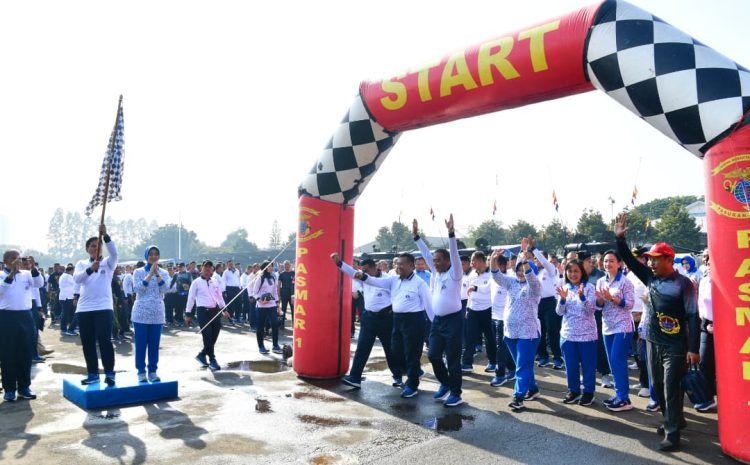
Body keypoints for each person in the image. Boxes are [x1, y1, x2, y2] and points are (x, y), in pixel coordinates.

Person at [615, 213, 700, 452]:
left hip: (675, 346)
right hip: (652, 341)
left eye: (655, 259)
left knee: (672, 387)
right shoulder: (650, 278)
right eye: (649, 259)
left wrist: (693, 348)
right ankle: (674, 419)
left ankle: (673, 434)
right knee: (660, 387)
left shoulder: (683, 284)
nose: (650, 263)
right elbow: (630, 262)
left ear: (668, 259)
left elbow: (693, 316)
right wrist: (621, 239)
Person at [337, 250, 433, 398]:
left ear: (411, 265)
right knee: (396, 351)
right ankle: (407, 373)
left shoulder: (420, 284)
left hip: (413, 321)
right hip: (395, 320)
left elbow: (429, 306)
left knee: (411, 354)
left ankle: (412, 384)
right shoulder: (393, 280)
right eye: (397, 264)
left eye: (402, 264)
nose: (398, 266)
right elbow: (372, 280)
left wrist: (435, 326)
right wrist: (341, 264)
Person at [414, 215, 464, 406]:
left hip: (453, 321)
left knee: (452, 359)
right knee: (434, 355)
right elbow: (426, 254)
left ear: (447, 261)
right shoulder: (435, 273)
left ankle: (456, 393)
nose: (434, 262)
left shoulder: (455, 272)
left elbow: (454, 255)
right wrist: (417, 237)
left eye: (438, 260)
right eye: (433, 260)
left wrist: (451, 233)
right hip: (437, 322)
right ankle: (445, 383)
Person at [490, 238, 541, 411]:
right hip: (510, 332)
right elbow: (496, 275)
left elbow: (531, 279)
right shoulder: (511, 283)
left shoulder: (535, 286)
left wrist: (526, 261)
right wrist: (493, 259)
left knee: (522, 366)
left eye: (524, 268)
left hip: (529, 333)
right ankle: (533, 388)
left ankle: (518, 397)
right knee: (523, 364)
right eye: (518, 268)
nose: (520, 271)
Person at [334, 258, 399, 389]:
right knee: (362, 348)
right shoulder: (363, 277)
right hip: (369, 318)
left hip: (386, 318)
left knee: (390, 349)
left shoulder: (388, 279)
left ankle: (398, 376)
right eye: (362, 270)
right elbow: (351, 272)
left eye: (366, 270)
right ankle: (355, 377)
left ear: (374, 267)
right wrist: (339, 263)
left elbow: (397, 296)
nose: (363, 273)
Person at [73, 225, 119, 386]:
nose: (96, 247)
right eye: (92, 245)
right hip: (84, 308)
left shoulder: (108, 262)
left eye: (98, 244)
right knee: (87, 343)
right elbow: (77, 279)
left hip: (103, 308)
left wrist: (105, 235)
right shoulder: (81, 264)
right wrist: (90, 269)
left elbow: (114, 252)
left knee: (105, 340)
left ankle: (109, 373)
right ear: (87, 249)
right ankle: (92, 373)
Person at [0, 250, 44, 401]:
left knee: (25, 353)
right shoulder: (1, 275)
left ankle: (24, 387)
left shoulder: (26, 274)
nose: (17, 261)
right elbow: (1, 291)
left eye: (19, 258)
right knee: (8, 354)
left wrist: (32, 268)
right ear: (5, 261)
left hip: (25, 315)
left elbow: (39, 284)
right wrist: (11, 274)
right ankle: (10, 388)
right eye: (13, 258)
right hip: (6, 317)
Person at [596, 250, 635, 412]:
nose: (608, 264)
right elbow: (599, 305)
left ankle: (624, 398)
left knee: (617, 359)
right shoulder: (600, 281)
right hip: (607, 326)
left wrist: (612, 298)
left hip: (623, 326)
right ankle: (619, 395)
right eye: (605, 261)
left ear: (619, 264)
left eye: (611, 261)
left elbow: (629, 305)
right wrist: (600, 299)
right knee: (613, 362)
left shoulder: (625, 282)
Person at [556, 259, 597, 406]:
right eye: (570, 271)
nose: (573, 274)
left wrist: (582, 298)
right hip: (568, 335)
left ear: (582, 273)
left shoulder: (590, 287)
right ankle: (573, 391)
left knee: (588, 366)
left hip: (587, 335)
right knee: (571, 366)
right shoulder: (564, 288)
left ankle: (588, 393)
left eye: (576, 271)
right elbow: (559, 312)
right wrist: (562, 300)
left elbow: (591, 310)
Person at [131, 246, 170, 382]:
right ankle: (141, 371)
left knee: (154, 344)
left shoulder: (164, 272)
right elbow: (137, 289)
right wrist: (149, 274)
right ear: (146, 256)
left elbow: (166, 288)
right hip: (141, 313)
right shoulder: (138, 271)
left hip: (157, 313)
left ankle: (152, 371)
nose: (153, 256)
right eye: (151, 254)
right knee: (141, 344)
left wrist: (157, 274)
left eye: (156, 254)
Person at [185, 260, 228, 371]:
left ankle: (202, 354)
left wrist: (224, 309)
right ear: (202, 269)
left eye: (210, 267)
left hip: (215, 310)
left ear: (212, 269)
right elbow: (191, 298)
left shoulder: (214, 281)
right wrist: (188, 314)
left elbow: (219, 297)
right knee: (207, 335)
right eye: (206, 267)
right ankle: (212, 359)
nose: (208, 269)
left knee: (215, 333)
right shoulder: (196, 282)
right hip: (202, 311)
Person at [462, 251, 496, 375]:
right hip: (473, 310)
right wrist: (467, 309)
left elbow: (488, 289)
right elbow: (470, 295)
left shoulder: (491, 274)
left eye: (473, 261)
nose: (471, 263)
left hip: (487, 309)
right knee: (469, 337)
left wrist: (476, 288)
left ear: (481, 261)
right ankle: (467, 363)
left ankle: (493, 361)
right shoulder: (472, 275)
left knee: (489, 337)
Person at [581, 251, 611, 388]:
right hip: (582, 317)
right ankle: (588, 373)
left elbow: (604, 298)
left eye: (583, 262)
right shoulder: (578, 276)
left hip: (598, 316)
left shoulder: (600, 276)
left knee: (600, 346)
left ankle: (604, 374)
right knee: (585, 348)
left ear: (589, 262)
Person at [489, 253, 516, 387]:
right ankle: (512, 368)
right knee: (502, 346)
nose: (496, 267)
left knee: (501, 347)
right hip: (494, 316)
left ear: (505, 266)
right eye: (494, 264)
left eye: (500, 264)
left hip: (504, 318)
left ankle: (500, 374)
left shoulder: (509, 279)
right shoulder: (492, 277)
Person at [695, 249, 716, 412]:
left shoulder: (728, 280)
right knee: (705, 362)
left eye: (711, 260)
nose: (708, 263)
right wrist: (706, 324)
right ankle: (708, 398)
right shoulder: (703, 281)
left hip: (727, 326)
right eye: (706, 260)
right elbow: (701, 305)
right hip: (706, 326)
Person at [252, 261, 282, 354]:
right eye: (269, 266)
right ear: (264, 267)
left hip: (272, 305)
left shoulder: (274, 277)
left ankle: (275, 345)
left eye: (272, 266)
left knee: (275, 323)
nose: (271, 268)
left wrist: (277, 303)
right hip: (261, 306)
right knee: (260, 326)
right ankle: (261, 346)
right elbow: (254, 292)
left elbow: (275, 292)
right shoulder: (260, 278)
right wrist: (261, 301)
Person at [59, 264, 78, 336]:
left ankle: (70, 327)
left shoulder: (63, 276)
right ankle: (64, 329)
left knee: (69, 313)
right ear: (71, 270)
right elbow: (76, 283)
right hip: (66, 297)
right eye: (73, 271)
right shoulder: (68, 276)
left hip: (66, 297)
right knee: (66, 314)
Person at [223, 260, 241, 325]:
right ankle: (230, 319)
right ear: (227, 265)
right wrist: (224, 290)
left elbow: (238, 279)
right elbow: (224, 281)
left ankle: (237, 318)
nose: (231, 265)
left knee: (238, 303)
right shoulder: (226, 272)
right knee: (230, 304)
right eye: (229, 264)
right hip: (229, 288)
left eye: (231, 264)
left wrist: (239, 287)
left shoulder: (237, 271)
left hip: (237, 288)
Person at [278, 261, 295, 326]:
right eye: (285, 265)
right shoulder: (281, 274)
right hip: (284, 294)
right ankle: (282, 324)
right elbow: (279, 285)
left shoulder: (294, 273)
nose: (286, 266)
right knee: (283, 309)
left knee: (293, 309)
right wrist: (279, 294)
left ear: (290, 265)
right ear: (284, 266)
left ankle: (294, 324)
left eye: (288, 265)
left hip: (292, 294)